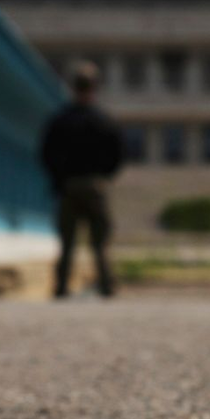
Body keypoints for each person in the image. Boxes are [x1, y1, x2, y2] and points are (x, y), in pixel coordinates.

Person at [40, 60, 124, 298]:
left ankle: (61, 287)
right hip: (95, 185)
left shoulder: (60, 120)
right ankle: (106, 287)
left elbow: (46, 153)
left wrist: (58, 178)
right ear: (95, 87)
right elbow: (118, 155)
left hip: (68, 185)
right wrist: (105, 176)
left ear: (72, 87)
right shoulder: (104, 121)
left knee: (67, 242)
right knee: (100, 243)